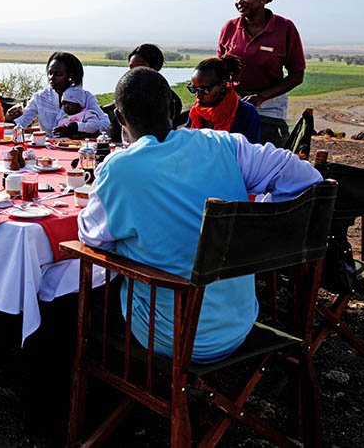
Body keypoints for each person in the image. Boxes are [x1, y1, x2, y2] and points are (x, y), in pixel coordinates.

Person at [78, 67, 321, 363]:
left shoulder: (118, 169)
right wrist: (254, 221)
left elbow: (91, 238)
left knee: (87, 295)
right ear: (173, 107)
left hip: (168, 336)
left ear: (120, 119)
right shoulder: (224, 146)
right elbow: (307, 179)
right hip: (239, 325)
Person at [218, 0, 306, 147]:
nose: (240, 2)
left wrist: (262, 97)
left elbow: (297, 75)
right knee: (233, 151)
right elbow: (220, 69)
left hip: (270, 105)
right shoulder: (230, 27)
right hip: (234, 101)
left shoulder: (285, 28)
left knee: (266, 153)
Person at [7, 51, 110, 137]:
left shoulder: (85, 97)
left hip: (75, 148)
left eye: (58, 74)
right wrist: (9, 119)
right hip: (47, 150)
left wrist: (80, 128)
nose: (51, 78)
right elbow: (22, 122)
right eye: (50, 73)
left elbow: (104, 123)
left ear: (71, 76)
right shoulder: (40, 97)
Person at [185, 55, 261, 143]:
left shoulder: (245, 113)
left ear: (223, 86)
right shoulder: (196, 111)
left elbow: (249, 151)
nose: (197, 95)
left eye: (203, 90)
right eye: (193, 89)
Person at [128, 43, 183, 125]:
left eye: (140, 67)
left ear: (156, 67)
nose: (134, 72)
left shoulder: (170, 99)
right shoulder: (127, 95)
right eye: (131, 68)